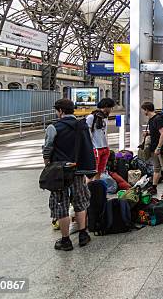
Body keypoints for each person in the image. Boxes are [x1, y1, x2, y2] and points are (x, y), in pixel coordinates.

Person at [43, 98, 96, 251]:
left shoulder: (54, 127)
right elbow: (89, 146)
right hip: (78, 171)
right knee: (80, 202)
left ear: (60, 111)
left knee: (61, 204)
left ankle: (65, 240)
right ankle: (83, 234)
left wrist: (47, 164)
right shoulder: (83, 126)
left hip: (60, 172)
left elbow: (47, 148)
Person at [141, 102, 163, 199]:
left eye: (143, 110)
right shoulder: (152, 120)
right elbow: (157, 132)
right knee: (156, 168)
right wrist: (148, 133)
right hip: (154, 148)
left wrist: (159, 147)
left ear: (146, 109)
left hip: (161, 148)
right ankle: (154, 187)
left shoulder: (158, 119)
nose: (143, 112)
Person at [86, 98, 115, 180]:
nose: (111, 110)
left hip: (105, 147)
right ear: (106, 107)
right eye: (110, 107)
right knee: (92, 173)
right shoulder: (91, 117)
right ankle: (89, 190)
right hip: (96, 148)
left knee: (100, 172)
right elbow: (87, 133)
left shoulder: (104, 118)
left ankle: (96, 190)